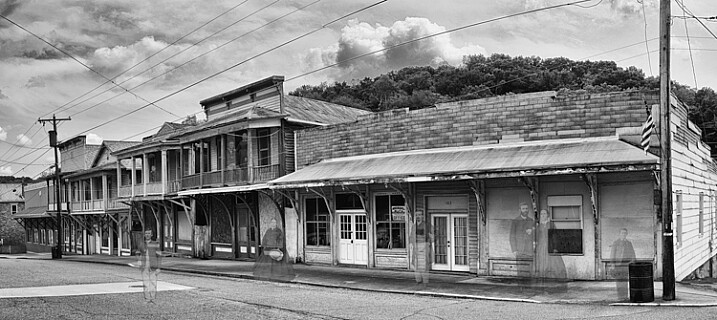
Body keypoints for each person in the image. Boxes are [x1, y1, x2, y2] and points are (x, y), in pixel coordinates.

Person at [535, 210, 567, 279]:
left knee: (553, 262)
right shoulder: (539, 226)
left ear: (547, 215)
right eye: (541, 214)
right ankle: (542, 276)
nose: (543, 215)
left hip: (550, 245)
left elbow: (555, 236)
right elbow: (537, 237)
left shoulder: (551, 225)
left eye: (544, 214)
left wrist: (555, 247)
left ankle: (553, 277)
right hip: (541, 246)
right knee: (541, 261)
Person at [609, 228, 636, 301]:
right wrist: (612, 264)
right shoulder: (616, 243)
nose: (623, 234)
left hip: (626, 265)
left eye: (625, 233)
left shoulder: (629, 243)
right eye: (622, 233)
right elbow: (612, 254)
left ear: (626, 234)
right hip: (618, 264)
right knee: (619, 281)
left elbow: (632, 253)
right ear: (619, 234)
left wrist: (633, 262)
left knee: (625, 281)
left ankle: (625, 296)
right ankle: (620, 297)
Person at [137, 229, 161, 303]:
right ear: (144, 235)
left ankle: (152, 298)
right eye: (146, 233)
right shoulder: (142, 244)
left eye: (149, 233)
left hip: (153, 265)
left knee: (153, 282)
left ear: (151, 235)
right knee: (145, 283)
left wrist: (159, 267)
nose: (147, 235)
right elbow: (138, 253)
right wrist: (139, 261)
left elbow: (159, 256)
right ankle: (147, 298)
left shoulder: (155, 244)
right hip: (144, 266)